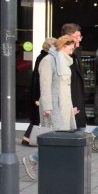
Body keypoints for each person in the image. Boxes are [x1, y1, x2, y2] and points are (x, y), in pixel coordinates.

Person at [23, 36, 78, 179]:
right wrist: (47, 106)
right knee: (55, 138)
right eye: (70, 48)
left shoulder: (64, 62)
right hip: (53, 107)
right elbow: (45, 85)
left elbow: (66, 88)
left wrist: (70, 108)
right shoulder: (48, 61)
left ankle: (48, 167)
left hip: (64, 107)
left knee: (61, 138)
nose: (72, 52)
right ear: (62, 46)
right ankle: (33, 159)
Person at [22, 36, 54, 145]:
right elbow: (38, 78)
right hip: (39, 93)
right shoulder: (45, 58)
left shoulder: (42, 57)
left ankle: (28, 138)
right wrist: (37, 97)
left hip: (38, 92)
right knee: (37, 119)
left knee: (37, 118)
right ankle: (29, 139)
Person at [60, 22, 87, 129]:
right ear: (68, 37)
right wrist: (69, 106)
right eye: (77, 37)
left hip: (76, 101)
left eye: (80, 36)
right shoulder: (60, 58)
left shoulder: (76, 54)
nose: (79, 39)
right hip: (70, 102)